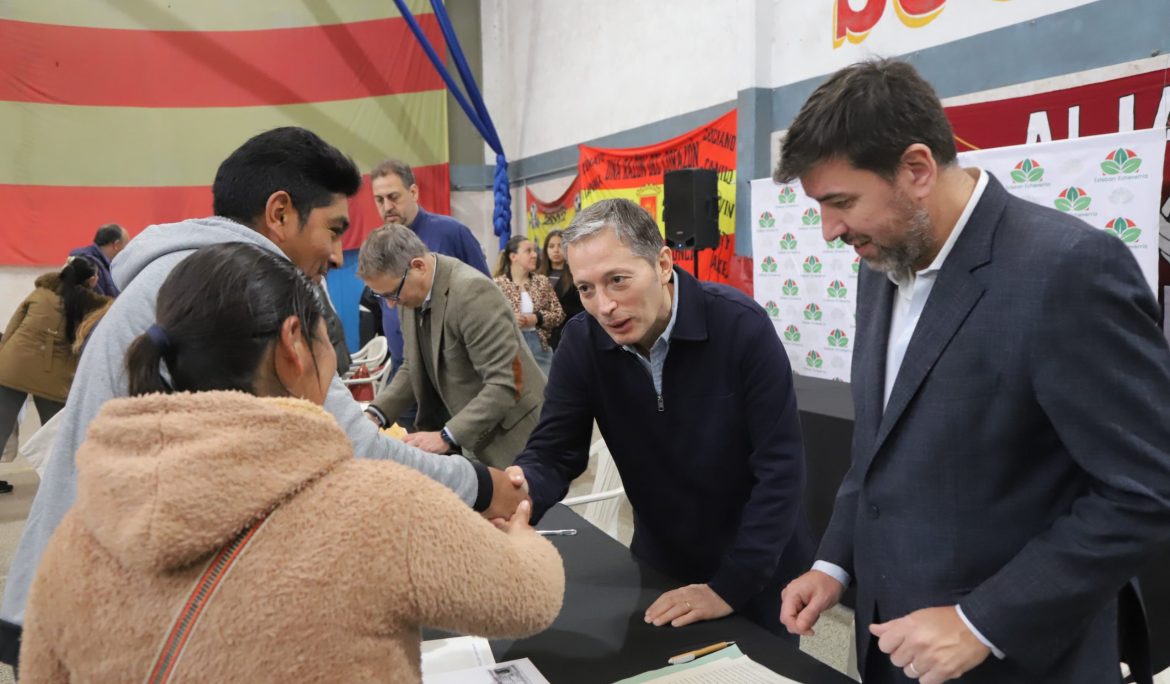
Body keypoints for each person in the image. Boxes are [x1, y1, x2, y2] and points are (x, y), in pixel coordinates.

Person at [0, 128, 528, 668]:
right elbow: (358, 451)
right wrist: (482, 486)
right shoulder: (237, 288)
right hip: (99, 618)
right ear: (280, 213)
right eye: (333, 229)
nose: (335, 253)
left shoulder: (180, 272)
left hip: (75, 593)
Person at [774, 59, 1170, 684]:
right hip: (892, 647)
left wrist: (981, 621)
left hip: (1019, 660)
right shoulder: (878, 266)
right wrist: (834, 565)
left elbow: (1147, 488)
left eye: (840, 202)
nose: (829, 232)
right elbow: (878, 447)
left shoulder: (1066, 270)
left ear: (917, 169)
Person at [511, 198, 814, 635]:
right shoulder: (581, 342)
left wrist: (730, 586)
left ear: (664, 264)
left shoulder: (740, 326)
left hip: (759, 568)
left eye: (618, 280)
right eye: (586, 289)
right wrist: (516, 494)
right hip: (661, 560)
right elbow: (555, 453)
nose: (604, 307)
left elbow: (781, 471)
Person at [359, 225, 545, 470]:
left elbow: (506, 383)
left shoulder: (472, 293)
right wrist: (375, 414)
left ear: (418, 267)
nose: (392, 305)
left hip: (510, 441)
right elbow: (411, 366)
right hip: (464, 435)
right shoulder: (409, 292)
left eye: (392, 293)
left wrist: (446, 436)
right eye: (383, 297)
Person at [371, 159, 490, 431]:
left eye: (393, 197)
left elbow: (486, 295)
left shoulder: (451, 233)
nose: (387, 206)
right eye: (379, 200)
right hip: (405, 374)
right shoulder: (380, 245)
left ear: (413, 193)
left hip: (452, 375)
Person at [0, 257, 109, 493]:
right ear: (92, 280)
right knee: (56, 435)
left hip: (12, 367)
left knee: (0, 426)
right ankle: (57, 486)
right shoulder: (94, 307)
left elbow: (11, 329)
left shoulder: (39, 294)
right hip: (54, 378)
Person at [493, 236, 564, 376]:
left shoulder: (542, 282)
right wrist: (510, 319)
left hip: (540, 345)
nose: (534, 254)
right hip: (509, 348)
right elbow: (487, 319)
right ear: (514, 256)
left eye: (535, 250)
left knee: (547, 390)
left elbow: (559, 313)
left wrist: (537, 318)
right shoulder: (497, 285)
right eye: (528, 251)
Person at [537, 229, 584, 350]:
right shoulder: (538, 276)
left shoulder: (576, 274)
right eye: (551, 246)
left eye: (560, 245)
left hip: (568, 334)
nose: (556, 250)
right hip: (541, 336)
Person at [69, 224, 128, 297]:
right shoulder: (92, 267)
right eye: (126, 245)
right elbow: (102, 303)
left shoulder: (83, 260)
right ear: (117, 245)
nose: (127, 251)